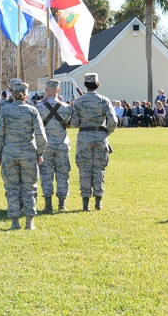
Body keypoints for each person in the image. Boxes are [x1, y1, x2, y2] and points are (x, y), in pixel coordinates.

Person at [0, 81, 47, 230]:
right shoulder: (32, 110)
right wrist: (39, 153)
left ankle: (15, 222)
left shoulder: (5, 110)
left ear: (12, 94)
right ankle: (29, 222)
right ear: (26, 95)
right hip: (28, 153)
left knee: (12, 188)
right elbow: (41, 136)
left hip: (9, 153)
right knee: (29, 188)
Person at [69, 73, 117, 211]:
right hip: (100, 136)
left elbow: (73, 123)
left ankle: (85, 203)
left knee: (84, 169)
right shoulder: (104, 100)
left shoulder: (78, 101)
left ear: (85, 85)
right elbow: (113, 121)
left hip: (84, 136)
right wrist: (106, 132)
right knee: (99, 169)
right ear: (97, 84)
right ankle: (98, 202)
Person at [37, 79, 72, 212]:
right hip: (62, 145)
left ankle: (48, 204)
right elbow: (71, 122)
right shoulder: (66, 108)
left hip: (46, 146)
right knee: (63, 174)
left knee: (46, 175)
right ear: (58, 91)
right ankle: (62, 204)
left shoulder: (38, 107)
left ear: (46, 91)